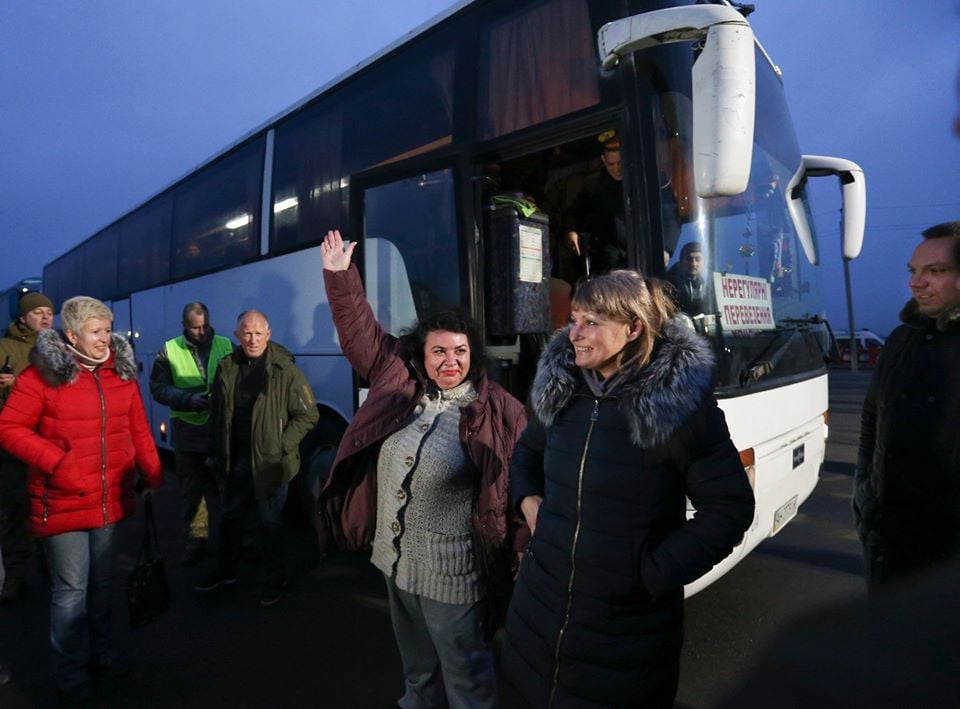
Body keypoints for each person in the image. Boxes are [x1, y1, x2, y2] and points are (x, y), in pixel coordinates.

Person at [501, 270, 755, 707]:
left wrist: (647, 575)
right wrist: (527, 502)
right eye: (574, 319)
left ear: (634, 327)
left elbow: (729, 509)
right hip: (537, 614)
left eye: (591, 323)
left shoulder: (678, 405)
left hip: (623, 637)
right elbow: (526, 453)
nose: (573, 335)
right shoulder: (561, 387)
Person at [319, 229, 527, 708]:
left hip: (452, 575)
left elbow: (517, 490)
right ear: (422, 356)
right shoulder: (403, 384)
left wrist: (519, 557)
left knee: (467, 676)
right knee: (416, 671)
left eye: (460, 351)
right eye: (438, 351)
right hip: (394, 563)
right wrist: (338, 276)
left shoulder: (499, 411)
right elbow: (360, 334)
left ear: (473, 356)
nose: (449, 360)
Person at [0, 296, 162, 703]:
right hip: (63, 502)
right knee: (71, 590)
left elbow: (139, 429)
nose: (105, 339)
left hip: (108, 499)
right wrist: (58, 462)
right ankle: (70, 676)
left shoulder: (120, 376)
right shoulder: (40, 378)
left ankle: (102, 656)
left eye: (107, 330)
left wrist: (151, 471)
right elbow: (9, 428)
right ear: (71, 335)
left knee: (103, 585)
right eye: (96, 331)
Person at [853, 221, 960, 590]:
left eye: (936, 271)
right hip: (890, 543)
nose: (916, 283)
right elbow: (871, 418)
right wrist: (865, 495)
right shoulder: (901, 339)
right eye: (914, 271)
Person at [195, 309, 318, 606]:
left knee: (269, 523)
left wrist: (280, 447)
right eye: (246, 333)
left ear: (269, 334)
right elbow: (217, 416)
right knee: (229, 518)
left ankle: (276, 579)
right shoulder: (227, 367)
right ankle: (226, 572)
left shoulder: (285, 370)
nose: (252, 339)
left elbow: (308, 415)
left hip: (271, 463)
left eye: (258, 333)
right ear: (237, 336)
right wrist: (214, 452)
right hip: (236, 459)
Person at [150, 302, 233, 565]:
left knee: (228, 488)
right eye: (195, 328)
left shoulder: (226, 345)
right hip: (187, 433)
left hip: (220, 430)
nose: (201, 332)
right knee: (192, 492)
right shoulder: (169, 349)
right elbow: (158, 388)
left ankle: (234, 541)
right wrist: (187, 399)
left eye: (205, 326)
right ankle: (196, 541)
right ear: (184, 326)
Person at [0, 291, 54, 604]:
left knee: (48, 508)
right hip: (13, 445)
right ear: (23, 318)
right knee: (13, 511)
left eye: (49, 311)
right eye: (38, 312)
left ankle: (50, 565)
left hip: (48, 441)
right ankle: (16, 575)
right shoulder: (5, 347)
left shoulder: (59, 347)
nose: (46, 317)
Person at [564, 131, 628, 276]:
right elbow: (574, 213)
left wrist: (666, 249)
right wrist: (571, 231)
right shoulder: (593, 185)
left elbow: (668, 216)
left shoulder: (642, 179)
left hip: (637, 256)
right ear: (603, 160)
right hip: (605, 262)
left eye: (620, 163)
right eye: (611, 164)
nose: (617, 169)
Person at [666, 241, 710, 315]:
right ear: (681, 262)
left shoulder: (709, 286)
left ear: (704, 263)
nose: (693, 264)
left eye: (698, 259)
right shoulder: (670, 285)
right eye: (689, 259)